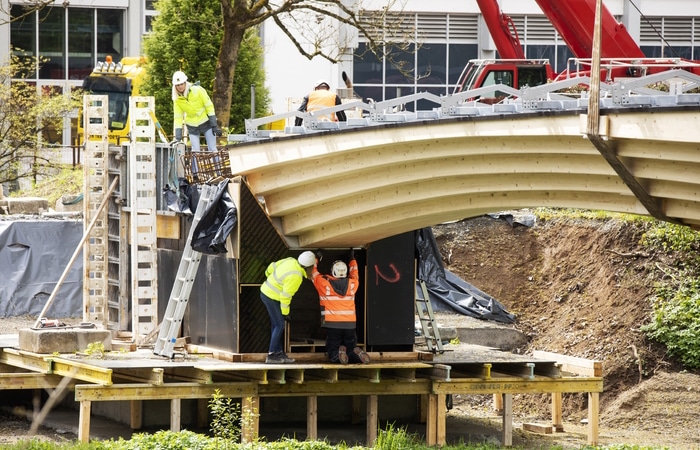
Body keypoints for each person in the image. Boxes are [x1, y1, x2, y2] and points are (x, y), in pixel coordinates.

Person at [311, 249, 370, 364]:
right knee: (351, 345)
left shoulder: (323, 283)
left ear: (333, 271)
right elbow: (355, 273)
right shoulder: (353, 284)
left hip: (332, 323)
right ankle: (355, 354)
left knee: (332, 347)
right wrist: (352, 259)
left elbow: (313, 272)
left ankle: (337, 356)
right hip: (350, 323)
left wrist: (316, 258)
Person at [260, 250, 317, 364]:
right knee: (280, 324)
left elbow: (272, 267)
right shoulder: (296, 277)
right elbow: (286, 297)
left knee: (276, 324)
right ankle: (272, 355)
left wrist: (268, 275)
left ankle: (278, 352)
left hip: (267, 292)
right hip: (271, 297)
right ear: (309, 267)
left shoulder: (290, 260)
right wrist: (285, 313)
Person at [171, 70, 223, 152]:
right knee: (195, 151)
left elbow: (209, 106)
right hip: (192, 126)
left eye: (181, 84)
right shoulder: (177, 100)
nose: (180, 86)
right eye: (177, 85)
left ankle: (217, 165)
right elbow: (178, 117)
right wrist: (178, 138)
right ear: (175, 86)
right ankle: (195, 165)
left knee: (212, 149)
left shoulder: (198, 90)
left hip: (206, 122)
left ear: (185, 82)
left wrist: (214, 125)